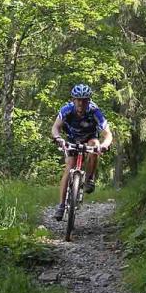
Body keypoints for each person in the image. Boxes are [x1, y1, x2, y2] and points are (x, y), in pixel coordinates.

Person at [51, 84, 113, 221]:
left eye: (84, 100)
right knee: (69, 166)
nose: (81, 103)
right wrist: (58, 138)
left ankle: (90, 179)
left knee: (95, 145)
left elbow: (107, 133)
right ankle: (61, 205)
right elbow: (55, 127)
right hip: (72, 139)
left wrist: (104, 145)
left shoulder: (95, 111)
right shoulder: (67, 109)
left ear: (88, 100)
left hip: (90, 138)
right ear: (73, 100)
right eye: (78, 100)